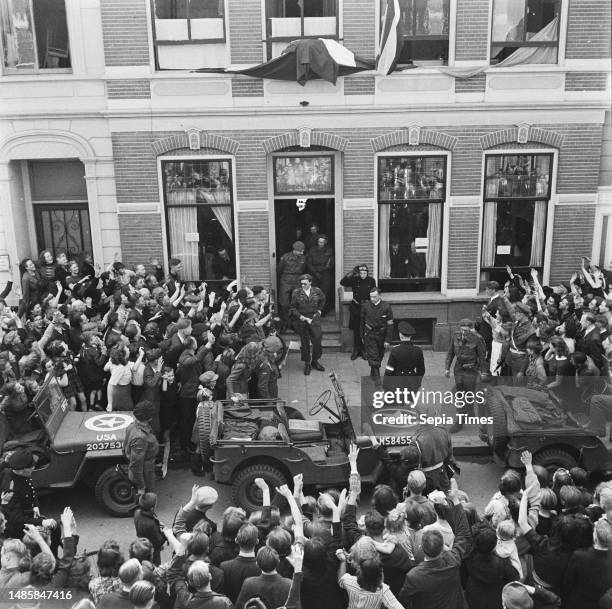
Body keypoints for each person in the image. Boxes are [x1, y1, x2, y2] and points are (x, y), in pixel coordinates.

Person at [398, 483, 471, 609]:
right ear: (442, 546)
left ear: (423, 549)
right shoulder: (453, 559)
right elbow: (463, 534)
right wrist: (455, 500)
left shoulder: (414, 576)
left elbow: (403, 600)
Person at [444, 318, 486, 433]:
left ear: (470, 329)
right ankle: (461, 419)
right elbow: (450, 353)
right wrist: (447, 368)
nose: (464, 333)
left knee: (468, 393)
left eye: (466, 331)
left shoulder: (477, 339)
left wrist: (483, 372)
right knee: (460, 395)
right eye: (462, 330)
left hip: (471, 370)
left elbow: (482, 357)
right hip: (458, 369)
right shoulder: (455, 336)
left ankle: (466, 413)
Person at [289, 274, 326, 376]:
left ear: (310, 282)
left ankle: (315, 361)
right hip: (302, 319)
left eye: (305, 283)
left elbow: (323, 300)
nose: (303, 285)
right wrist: (299, 316)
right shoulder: (296, 293)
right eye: (301, 284)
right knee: (305, 343)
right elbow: (292, 307)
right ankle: (307, 364)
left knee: (317, 340)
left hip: (314, 318)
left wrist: (319, 311)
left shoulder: (317, 291)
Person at [123, 400, 160, 495]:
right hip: (145, 472)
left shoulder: (133, 426)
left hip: (146, 468)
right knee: (149, 498)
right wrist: (141, 486)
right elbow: (136, 464)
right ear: (149, 418)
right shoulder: (140, 437)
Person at [340, 264, 377, 360]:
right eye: (361, 272)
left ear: (367, 273)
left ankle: (364, 350)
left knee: (365, 330)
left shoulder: (371, 280)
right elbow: (342, 282)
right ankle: (356, 350)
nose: (363, 274)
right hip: (356, 308)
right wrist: (352, 272)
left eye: (365, 272)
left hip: (367, 308)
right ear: (358, 273)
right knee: (356, 330)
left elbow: (374, 293)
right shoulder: (355, 280)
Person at [361, 286, 394, 383]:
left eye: (374, 297)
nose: (372, 299)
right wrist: (362, 335)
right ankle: (377, 379)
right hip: (369, 334)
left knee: (379, 355)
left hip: (381, 335)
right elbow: (362, 322)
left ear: (379, 296)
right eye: (371, 297)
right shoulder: (365, 306)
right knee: (373, 356)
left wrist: (388, 340)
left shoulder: (386, 307)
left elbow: (390, 324)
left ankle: (373, 374)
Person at [384, 321, 425, 396]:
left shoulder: (395, 350)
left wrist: (386, 384)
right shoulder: (418, 350)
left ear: (400, 335)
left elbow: (389, 370)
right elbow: (421, 370)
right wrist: (418, 383)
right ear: (410, 336)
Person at [277, 242, 306, 332]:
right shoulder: (285, 257)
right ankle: (286, 323)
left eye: (302, 251)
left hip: (297, 280)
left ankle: (295, 324)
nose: (302, 253)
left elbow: (304, 268)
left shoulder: (303, 258)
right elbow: (279, 269)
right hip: (286, 279)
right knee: (284, 303)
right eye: (300, 251)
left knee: (296, 303)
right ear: (295, 250)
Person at [306, 235, 334, 316]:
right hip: (313, 274)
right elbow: (308, 262)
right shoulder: (312, 249)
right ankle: (312, 311)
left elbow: (331, 263)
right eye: (319, 242)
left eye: (322, 242)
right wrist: (315, 272)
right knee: (313, 293)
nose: (320, 243)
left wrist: (322, 270)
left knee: (324, 293)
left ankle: (322, 311)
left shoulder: (329, 250)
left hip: (325, 273)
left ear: (325, 242)